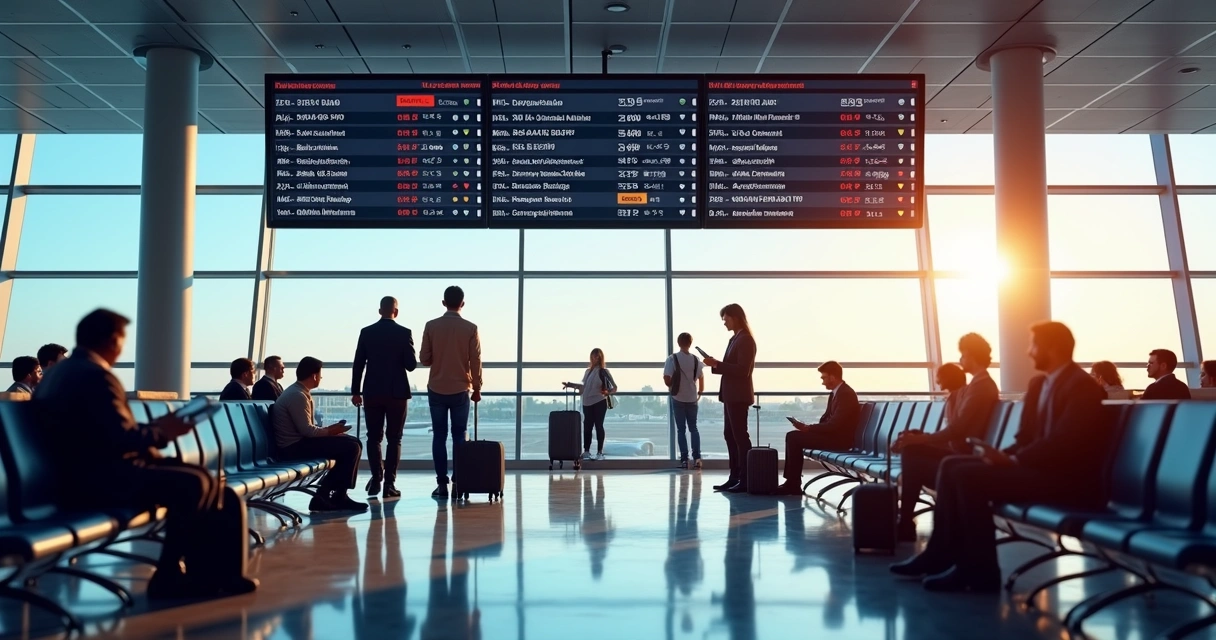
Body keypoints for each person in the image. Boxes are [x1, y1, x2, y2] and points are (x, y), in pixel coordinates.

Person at [35, 309, 256, 599]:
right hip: (94, 480)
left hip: (79, 473)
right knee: (195, 482)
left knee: (207, 481)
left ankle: (213, 574)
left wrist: (156, 431)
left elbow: (103, 431)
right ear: (114, 340)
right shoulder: (95, 375)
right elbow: (119, 438)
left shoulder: (61, 374)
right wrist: (164, 432)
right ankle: (170, 575)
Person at [889, 321, 1111, 592]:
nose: (1029, 352)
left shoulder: (1081, 386)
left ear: (1052, 348)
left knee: (966, 474)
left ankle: (978, 570)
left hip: (1065, 481)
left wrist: (1013, 461)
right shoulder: (1040, 384)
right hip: (1038, 470)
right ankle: (943, 555)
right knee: (951, 464)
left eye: (1034, 345)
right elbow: (1025, 439)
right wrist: (1000, 456)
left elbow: (1065, 441)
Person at [890, 333, 1000, 541]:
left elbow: (957, 430)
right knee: (912, 450)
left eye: (963, 356)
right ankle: (904, 522)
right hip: (959, 451)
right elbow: (957, 430)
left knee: (913, 454)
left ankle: (905, 523)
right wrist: (918, 437)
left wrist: (919, 439)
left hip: (964, 456)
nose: (960, 361)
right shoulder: (975, 387)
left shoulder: (981, 388)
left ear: (970, 355)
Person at [273, 356, 367, 513]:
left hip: (298, 443)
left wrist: (331, 432)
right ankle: (327, 496)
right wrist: (330, 432)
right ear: (314, 376)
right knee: (351, 447)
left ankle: (334, 494)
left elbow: (307, 428)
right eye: (320, 374)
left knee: (354, 443)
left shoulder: (299, 392)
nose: (321, 378)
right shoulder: (298, 395)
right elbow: (307, 431)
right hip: (293, 447)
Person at [352, 296, 418, 499]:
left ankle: (376, 479)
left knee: (373, 437)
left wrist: (356, 391)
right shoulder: (404, 333)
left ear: (380, 311)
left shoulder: (367, 332)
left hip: (372, 392)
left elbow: (358, 364)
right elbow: (411, 365)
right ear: (396, 312)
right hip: (397, 393)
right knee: (394, 438)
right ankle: (389, 483)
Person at [420, 286, 482, 499]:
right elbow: (476, 361)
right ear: (462, 304)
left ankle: (442, 484)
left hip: (436, 388)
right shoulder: (471, 328)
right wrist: (477, 388)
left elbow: (425, 359)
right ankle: (458, 481)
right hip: (460, 389)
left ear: (443, 303)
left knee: (439, 436)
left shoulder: (431, 326)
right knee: (459, 437)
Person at [775, 361, 861, 496]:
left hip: (840, 440)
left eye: (824, 378)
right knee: (793, 436)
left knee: (793, 437)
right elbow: (828, 421)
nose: (823, 382)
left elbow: (835, 425)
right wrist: (808, 427)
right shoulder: (836, 394)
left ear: (832, 377)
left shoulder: (845, 394)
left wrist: (809, 429)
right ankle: (792, 482)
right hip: (833, 436)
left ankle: (793, 483)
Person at [702, 303, 756, 494]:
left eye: (725, 319)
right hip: (731, 395)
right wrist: (716, 365)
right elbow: (732, 367)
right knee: (731, 435)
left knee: (740, 437)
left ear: (735, 317)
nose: (724, 323)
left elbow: (743, 370)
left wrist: (717, 364)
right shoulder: (735, 339)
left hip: (738, 396)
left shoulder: (746, 340)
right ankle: (735, 476)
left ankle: (745, 478)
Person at [563, 348, 618, 461]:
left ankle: (599, 452)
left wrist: (607, 392)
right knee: (587, 427)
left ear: (601, 357)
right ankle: (586, 451)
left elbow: (614, 387)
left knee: (598, 426)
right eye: (594, 356)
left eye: (598, 356)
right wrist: (570, 385)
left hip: (599, 401)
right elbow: (584, 387)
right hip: (587, 402)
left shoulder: (604, 371)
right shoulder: (587, 372)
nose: (595, 358)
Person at [664, 333, 705, 469]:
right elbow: (701, 376)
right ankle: (697, 458)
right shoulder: (695, 359)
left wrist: (672, 385)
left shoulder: (672, 359)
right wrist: (700, 391)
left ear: (678, 342)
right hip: (692, 397)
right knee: (693, 428)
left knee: (681, 429)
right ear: (690, 343)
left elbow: (667, 378)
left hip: (678, 397)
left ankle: (684, 459)